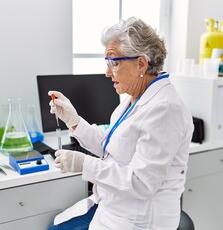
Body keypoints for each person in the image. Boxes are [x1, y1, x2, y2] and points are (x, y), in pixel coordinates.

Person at [48, 17, 194, 230]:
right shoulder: (135, 98)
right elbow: (113, 146)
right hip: (115, 207)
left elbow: (141, 183)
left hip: (138, 221)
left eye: (114, 63)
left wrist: (84, 164)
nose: (107, 72)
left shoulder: (165, 109)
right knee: (55, 226)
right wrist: (74, 121)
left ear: (141, 64)